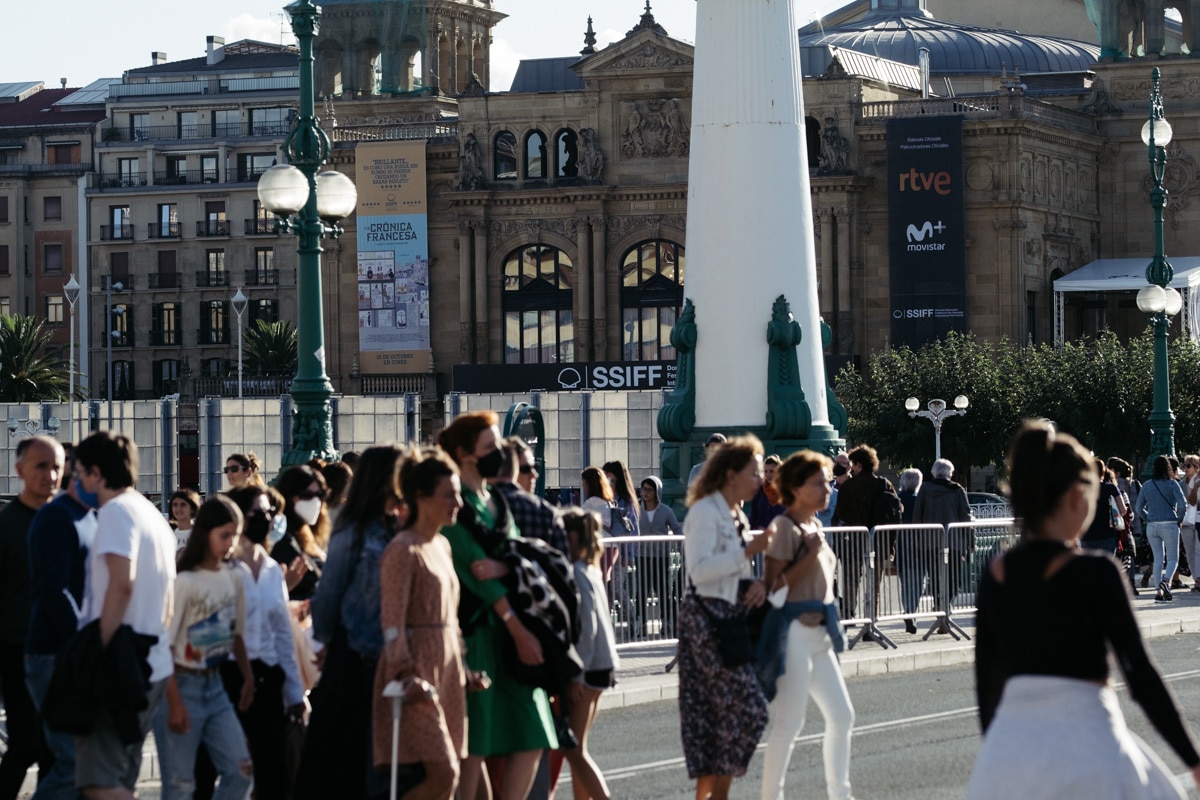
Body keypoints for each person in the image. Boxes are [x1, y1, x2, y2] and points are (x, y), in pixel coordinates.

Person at [966, 421, 1200, 799]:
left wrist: (1000, 753)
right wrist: (1192, 758)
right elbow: (1139, 673)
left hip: (1007, 751)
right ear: (1078, 497)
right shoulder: (1095, 571)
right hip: (1087, 743)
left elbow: (986, 681)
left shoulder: (997, 573)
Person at [437, 412, 558, 800]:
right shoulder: (456, 508)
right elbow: (476, 574)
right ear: (464, 454)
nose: (498, 454)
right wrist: (518, 628)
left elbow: (517, 557)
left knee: (534, 730)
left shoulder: (495, 501)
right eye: (489, 447)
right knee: (475, 743)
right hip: (479, 635)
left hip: (509, 630)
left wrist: (506, 566)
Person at [74, 431, 176, 800]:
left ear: (97, 473)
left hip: (119, 661)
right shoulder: (152, 515)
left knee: (99, 782)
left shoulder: (116, 513)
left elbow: (121, 585)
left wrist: (95, 650)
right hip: (151, 662)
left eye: (80, 472)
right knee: (120, 776)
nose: (78, 481)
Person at [302, 446, 405, 800]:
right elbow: (328, 597)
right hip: (358, 656)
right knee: (355, 760)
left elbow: (328, 597)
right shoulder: (358, 531)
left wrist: (325, 639)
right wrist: (327, 640)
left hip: (371, 654)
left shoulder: (380, 529)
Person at [193, 485, 305, 800]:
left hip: (267, 680)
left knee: (273, 774)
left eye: (270, 512)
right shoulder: (221, 566)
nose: (266, 518)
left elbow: (282, 633)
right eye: (258, 511)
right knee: (210, 771)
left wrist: (295, 692)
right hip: (224, 677)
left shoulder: (271, 569)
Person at [372, 448, 468, 800]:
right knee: (444, 774)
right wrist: (404, 671)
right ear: (421, 498)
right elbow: (392, 621)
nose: (458, 502)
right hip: (416, 673)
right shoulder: (403, 549)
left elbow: (451, 617)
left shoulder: (441, 545)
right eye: (449, 495)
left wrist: (465, 666)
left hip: (447, 670)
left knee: (451, 774)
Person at [678, 435, 770, 800]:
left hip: (730, 614)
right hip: (706, 619)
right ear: (731, 474)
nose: (760, 481)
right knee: (747, 708)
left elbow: (730, 568)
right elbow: (699, 571)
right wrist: (749, 551)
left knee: (717, 718)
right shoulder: (704, 511)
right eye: (754, 473)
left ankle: (716, 795)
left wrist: (754, 584)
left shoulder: (738, 513)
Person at [758, 450, 853, 800]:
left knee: (842, 716)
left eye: (828, 482)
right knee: (789, 723)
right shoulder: (784, 527)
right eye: (819, 483)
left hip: (820, 632)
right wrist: (810, 554)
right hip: (793, 632)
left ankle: (841, 794)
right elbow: (772, 585)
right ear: (796, 488)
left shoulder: (815, 525)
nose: (827, 489)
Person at [154, 495, 255, 800]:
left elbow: (235, 633)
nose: (230, 544)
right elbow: (166, 647)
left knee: (241, 772)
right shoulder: (184, 582)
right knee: (180, 786)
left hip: (216, 687)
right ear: (205, 533)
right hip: (180, 686)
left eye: (235, 536)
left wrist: (248, 676)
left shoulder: (234, 578)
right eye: (224, 535)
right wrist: (175, 703)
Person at [26, 451, 96, 800]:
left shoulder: (89, 516)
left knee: (73, 763)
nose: (52, 474)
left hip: (70, 653)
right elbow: (54, 590)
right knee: (71, 762)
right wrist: (84, 643)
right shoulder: (56, 517)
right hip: (53, 654)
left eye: (56, 467)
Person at [0, 436, 63, 799]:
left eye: (56, 466)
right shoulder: (7, 526)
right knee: (26, 745)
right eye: (41, 466)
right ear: (20, 470)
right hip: (16, 651)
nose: (50, 474)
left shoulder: (67, 520)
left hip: (60, 650)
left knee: (55, 748)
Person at [559, 508, 618, 800]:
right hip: (603, 663)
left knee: (574, 749)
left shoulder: (577, 573)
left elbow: (586, 629)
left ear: (570, 536)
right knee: (579, 747)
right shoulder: (590, 569)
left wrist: (576, 675)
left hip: (589, 666)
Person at [831, 445, 898, 620]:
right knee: (873, 585)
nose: (850, 467)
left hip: (853, 543)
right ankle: (871, 621)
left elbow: (840, 515)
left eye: (852, 464)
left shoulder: (848, 487)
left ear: (859, 465)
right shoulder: (884, 484)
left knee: (851, 582)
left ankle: (848, 616)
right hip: (879, 543)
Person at [913, 458, 974, 627]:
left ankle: (941, 606)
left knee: (935, 577)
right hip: (954, 542)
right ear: (949, 473)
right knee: (955, 579)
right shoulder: (957, 490)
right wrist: (970, 541)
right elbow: (966, 517)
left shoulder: (925, 489)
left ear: (934, 473)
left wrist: (919, 539)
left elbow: (918, 515)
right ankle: (945, 607)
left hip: (930, 542)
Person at [491, 437, 569, 555]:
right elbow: (563, 566)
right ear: (510, 469)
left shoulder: (481, 507)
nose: (534, 475)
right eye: (526, 469)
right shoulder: (546, 513)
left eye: (535, 467)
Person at [1133, 455, 1187, 602]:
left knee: (1158, 559)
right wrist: (1179, 519)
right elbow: (1182, 504)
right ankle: (1166, 580)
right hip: (1169, 524)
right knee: (1173, 558)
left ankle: (1158, 591)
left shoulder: (1147, 485)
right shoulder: (1172, 484)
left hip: (1152, 525)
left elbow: (1138, 508)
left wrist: (1148, 517)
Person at [273, 465, 329, 602]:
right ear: (289, 496)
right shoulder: (283, 541)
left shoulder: (306, 535)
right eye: (307, 495)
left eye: (320, 495)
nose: (316, 502)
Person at [638, 476, 683, 637]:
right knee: (642, 591)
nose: (646, 493)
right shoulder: (637, 508)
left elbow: (676, 528)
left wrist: (681, 546)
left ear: (657, 492)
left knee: (663, 591)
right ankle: (641, 622)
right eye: (643, 489)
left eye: (649, 489)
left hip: (661, 556)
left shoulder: (665, 510)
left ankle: (667, 622)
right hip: (642, 556)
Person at [895, 468, 923, 635]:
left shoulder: (897, 499)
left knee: (905, 582)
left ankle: (908, 611)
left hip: (900, 546)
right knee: (919, 581)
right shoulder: (918, 500)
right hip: (918, 546)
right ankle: (911, 611)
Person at [1081, 459, 1127, 556]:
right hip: (1107, 535)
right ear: (1103, 472)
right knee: (1105, 569)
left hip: (1086, 536)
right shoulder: (1111, 488)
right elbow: (1123, 510)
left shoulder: (1083, 488)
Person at [1178, 456, 1200, 591]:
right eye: (1184, 465)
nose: (1185, 468)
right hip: (1186, 521)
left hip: (1197, 520)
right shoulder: (1181, 484)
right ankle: (1196, 578)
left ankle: (1198, 580)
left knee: (1198, 551)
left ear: (1196, 467)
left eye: (1188, 465)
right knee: (1189, 552)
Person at [748, 455, 786, 530]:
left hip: (780, 534)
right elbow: (753, 514)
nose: (768, 475)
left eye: (771, 471)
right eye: (765, 471)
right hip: (761, 533)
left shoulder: (786, 490)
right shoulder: (760, 489)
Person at [169, 489, 200, 554]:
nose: (178, 509)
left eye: (183, 505)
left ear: (192, 509)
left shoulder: (200, 533)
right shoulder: (169, 535)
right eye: (175, 505)